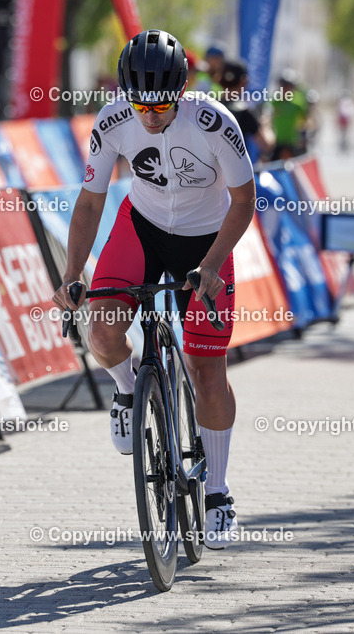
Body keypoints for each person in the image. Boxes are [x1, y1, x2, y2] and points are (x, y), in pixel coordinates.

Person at [52, 29, 256, 550]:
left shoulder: (214, 122)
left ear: (181, 93)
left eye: (161, 105)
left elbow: (243, 200)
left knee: (207, 368)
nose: (150, 116)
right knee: (101, 330)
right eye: (141, 104)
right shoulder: (113, 119)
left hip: (206, 242)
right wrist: (74, 273)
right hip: (141, 227)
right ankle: (126, 389)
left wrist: (212, 265)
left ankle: (217, 493)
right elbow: (91, 202)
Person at [218, 58, 273, 162]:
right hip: (236, 173)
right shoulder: (243, 111)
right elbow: (266, 144)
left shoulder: (210, 106)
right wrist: (266, 122)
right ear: (244, 81)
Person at [269, 69, 311, 160]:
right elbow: (268, 118)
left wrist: (303, 135)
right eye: (283, 85)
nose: (285, 88)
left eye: (288, 85)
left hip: (293, 142)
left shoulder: (298, 102)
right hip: (277, 142)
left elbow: (306, 120)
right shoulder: (274, 101)